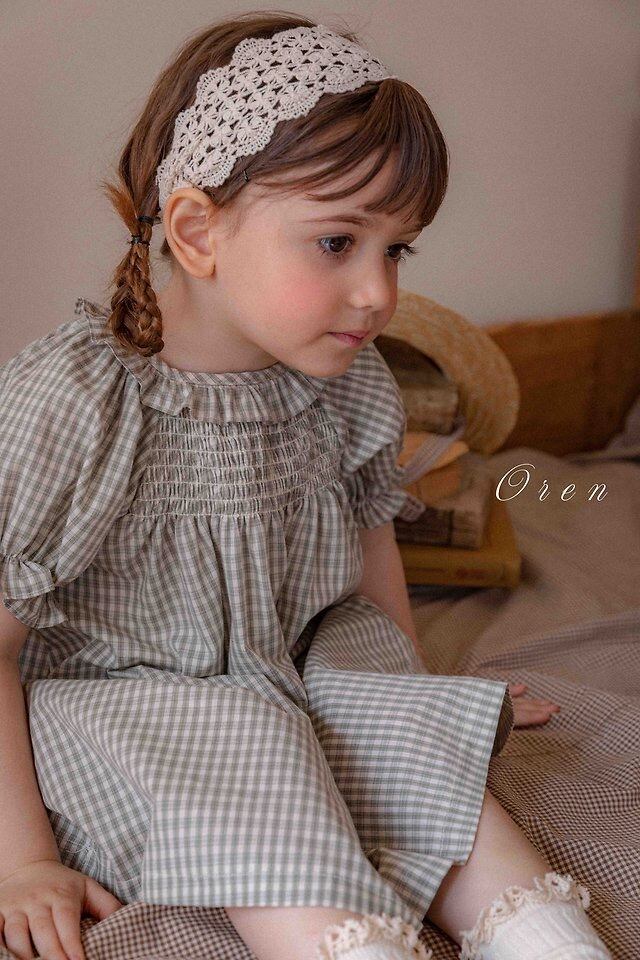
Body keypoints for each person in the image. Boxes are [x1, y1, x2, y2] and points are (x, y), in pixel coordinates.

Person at [0, 11, 611, 960]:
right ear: (197, 231)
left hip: (303, 661)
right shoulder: (76, 402)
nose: (378, 293)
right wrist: (23, 861)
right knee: (252, 757)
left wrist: (411, 703)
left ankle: (547, 938)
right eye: (337, 243)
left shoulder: (346, 382)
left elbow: (370, 550)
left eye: (396, 249)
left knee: (426, 769)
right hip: (141, 700)